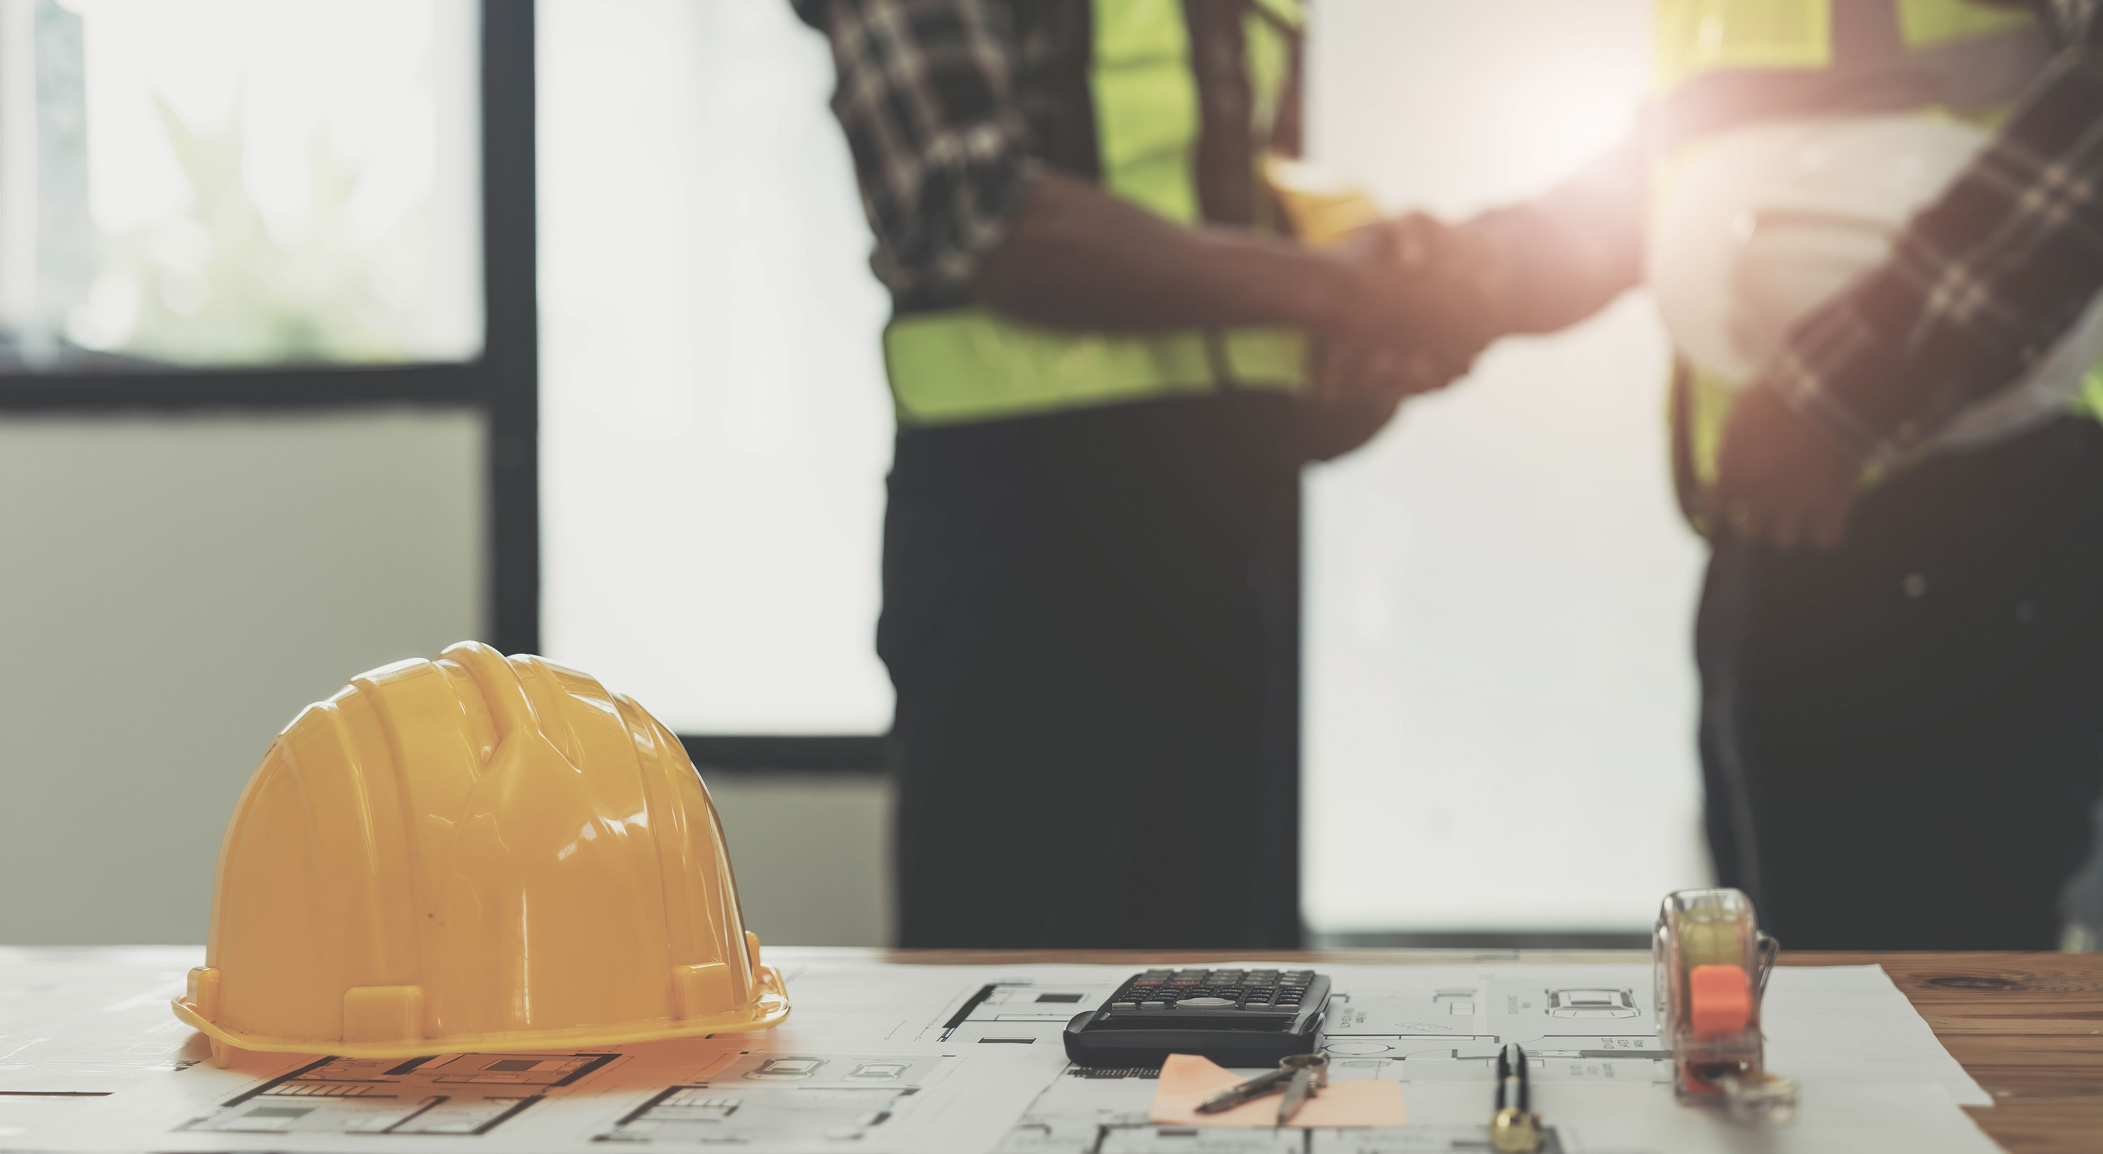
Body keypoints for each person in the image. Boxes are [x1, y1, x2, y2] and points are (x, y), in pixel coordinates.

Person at [1399, 0, 2103, 948]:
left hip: (1976, 511)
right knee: (1804, 989)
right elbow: (1681, 172)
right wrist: (1462, 272)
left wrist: (1850, 385)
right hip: (1786, 519)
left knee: (1928, 1013)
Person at [792, 0, 1490, 947]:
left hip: (1232, 527)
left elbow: (1242, 243)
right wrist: (1343, 292)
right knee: (1011, 997)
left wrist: (1364, 353)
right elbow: (969, 208)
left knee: (1231, 999)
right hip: (1019, 541)